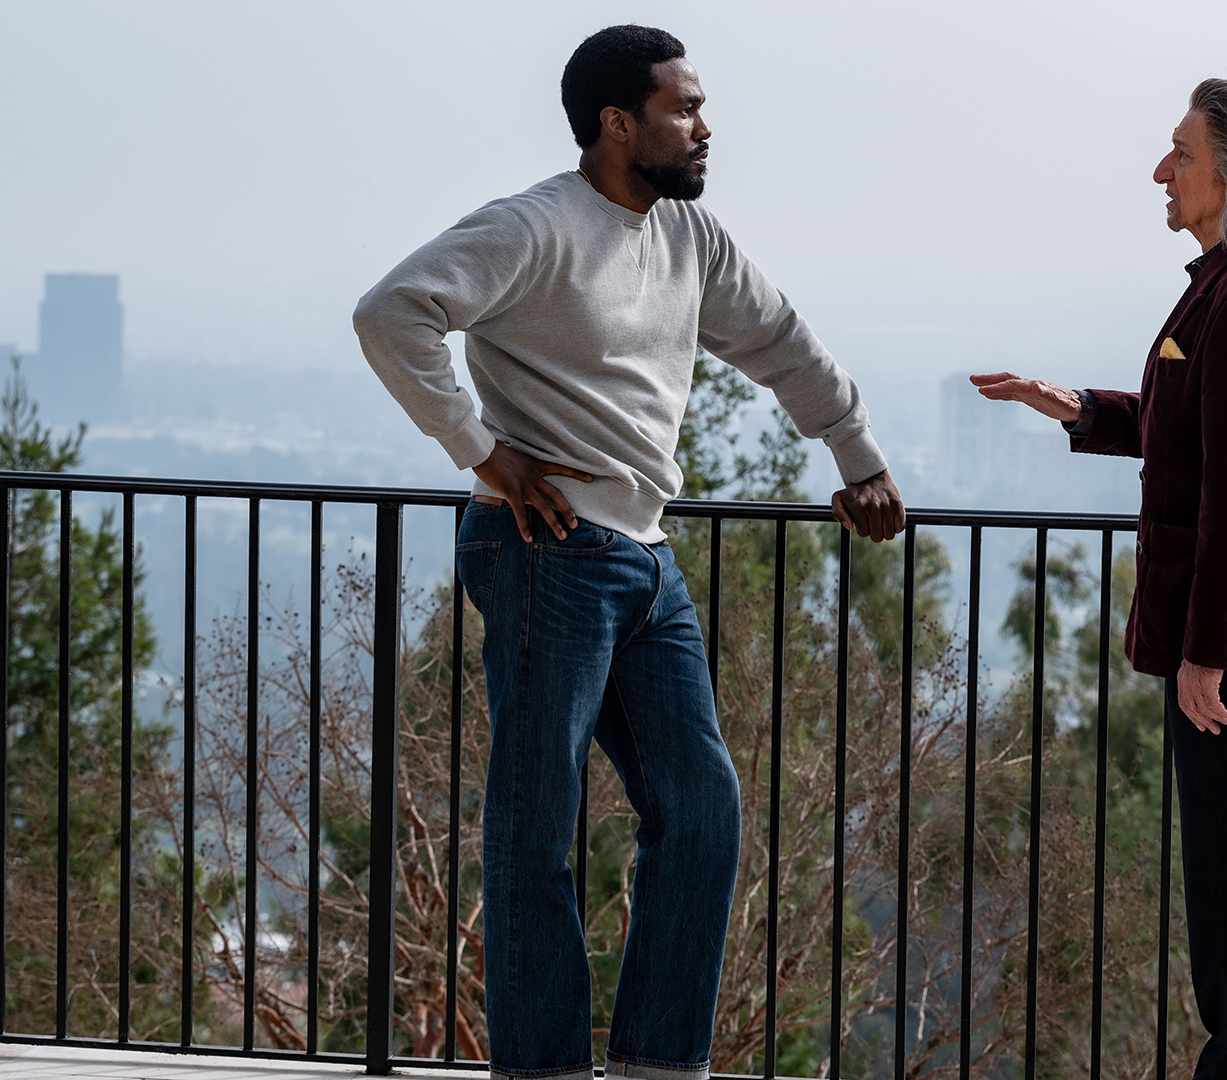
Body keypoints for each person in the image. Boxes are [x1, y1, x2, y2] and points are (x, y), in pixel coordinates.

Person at [353, 25, 905, 1080]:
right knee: (534, 825)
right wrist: (480, 449)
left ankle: (658, 1066)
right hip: (544, 552)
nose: (705, 128)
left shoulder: (691, 239)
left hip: (645, 563)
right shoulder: (534, 226)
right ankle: (545, 1069)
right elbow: (393, 312)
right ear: (618, 123)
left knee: (701, 810)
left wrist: (858, 455)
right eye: (683, 109)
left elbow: (783, 341)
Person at [970, 79, 1227, 1080]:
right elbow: (1200, 424)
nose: (1160, 171)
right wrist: (1079, 408)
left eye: (1180, 152)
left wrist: (1206, 657)